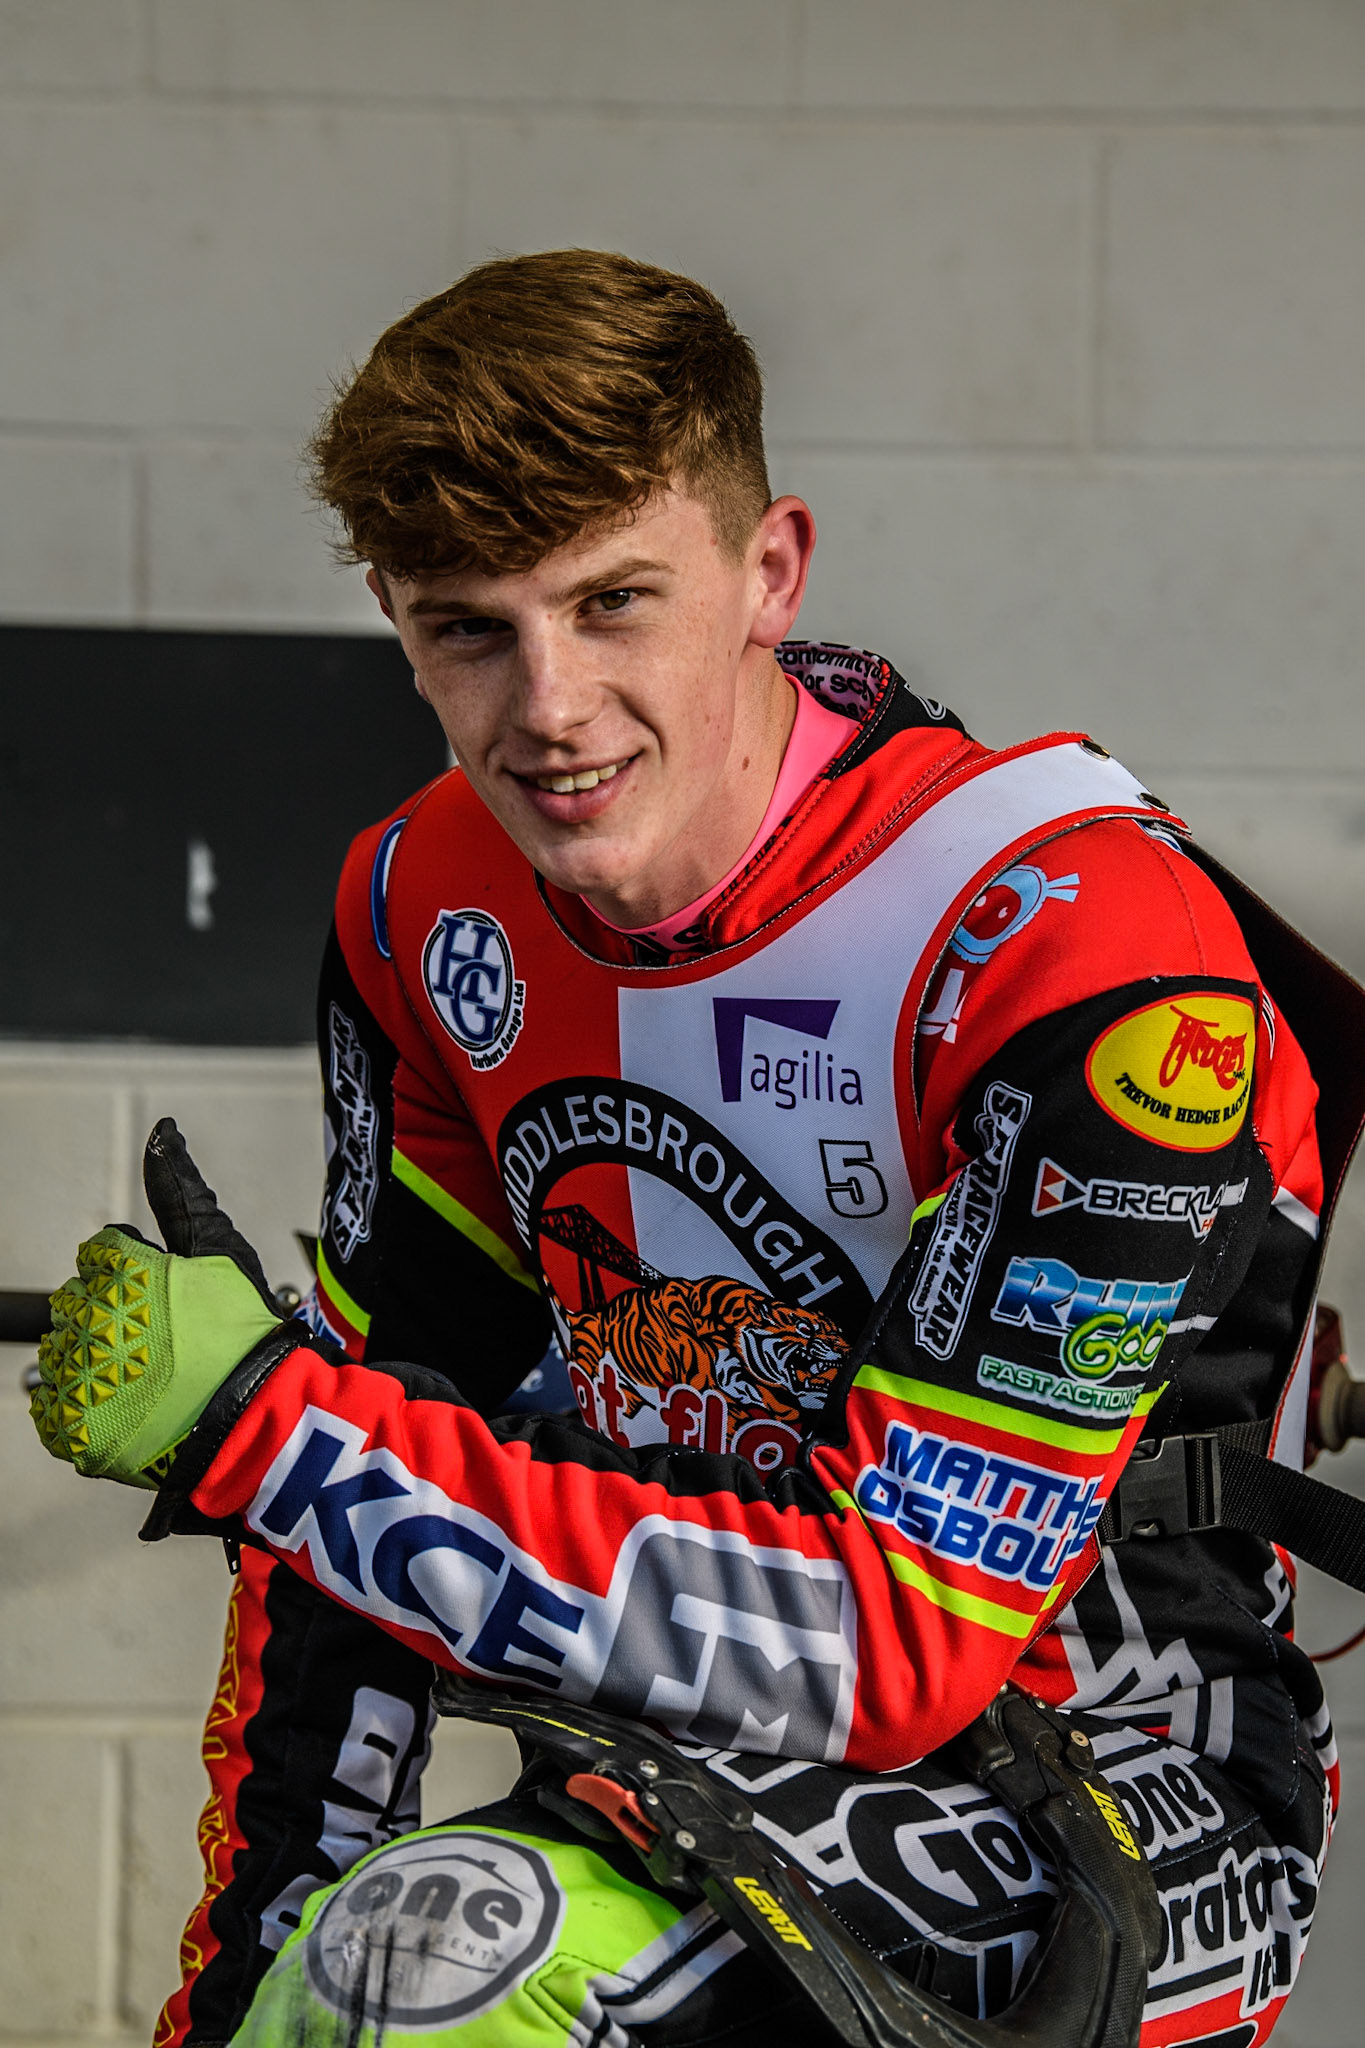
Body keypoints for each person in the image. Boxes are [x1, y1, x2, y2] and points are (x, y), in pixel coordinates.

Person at [33, 251, 1342, 2048]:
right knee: (330, 1979)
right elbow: (369, 1471)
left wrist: (270, 1431)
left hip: (1112, 1781)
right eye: (466, 629)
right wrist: (234, 1975)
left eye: (614, 603)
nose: (550, 707)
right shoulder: (422, 903)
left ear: (768, 572)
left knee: (442, 1963)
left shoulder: (1075, 948)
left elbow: (899, 1643)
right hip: (683, 1762)